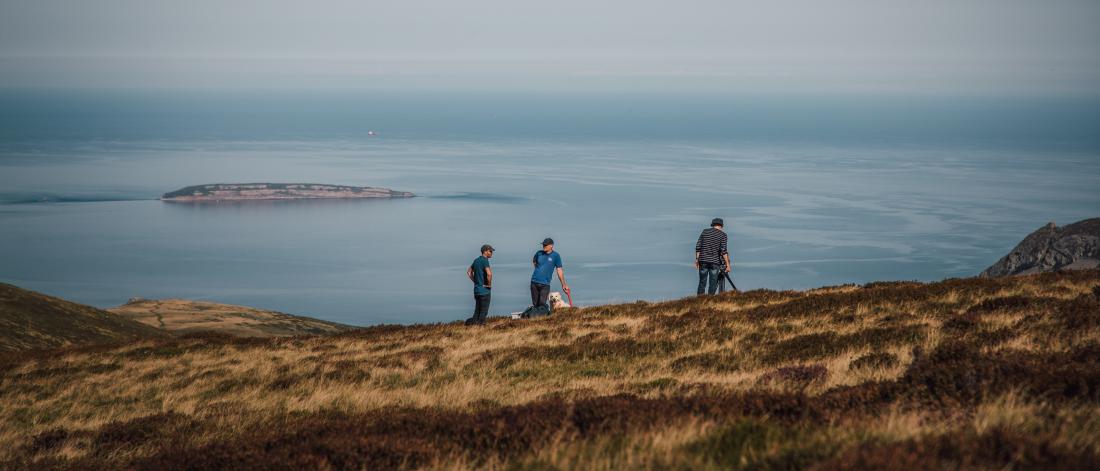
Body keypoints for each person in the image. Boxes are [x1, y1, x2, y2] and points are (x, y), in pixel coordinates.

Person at [695, 218, 731, 295]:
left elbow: (698, 246)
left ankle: (699, 301)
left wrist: (697, 260)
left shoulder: (705, 231)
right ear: (721, 226)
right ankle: (710, 300)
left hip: (703, 260)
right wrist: (727, 265)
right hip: (715, 262)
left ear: (713, 224)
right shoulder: (723, 235)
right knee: (713, 283)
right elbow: (723, 251)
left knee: (702, 282)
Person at [531, 238, 569, 309]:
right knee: (535, 305)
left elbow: (559, 270)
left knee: (542, 304)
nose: (544, 246)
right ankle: (538, 318)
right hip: (534, 282)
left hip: (545, 284)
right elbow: (534, 260)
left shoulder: (556, 256)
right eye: (543, 244)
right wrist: (538, 270)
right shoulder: (539, 253)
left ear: (551, 246)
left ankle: (544, 315)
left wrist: (563, 284)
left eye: (545, 245)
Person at [465, 244, 494, 326]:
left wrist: (476, 282)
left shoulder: (476, 260)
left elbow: (469, 272)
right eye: (490, 251)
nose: (491, 253)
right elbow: (489, 274)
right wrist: (489, 285)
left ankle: (473, 328)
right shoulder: (485, 260)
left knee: (477, 311)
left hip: (477, 290)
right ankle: (480, 327)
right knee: (484, 311)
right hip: (484, 291)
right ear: (485, 251)